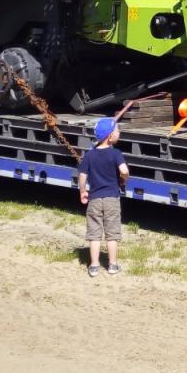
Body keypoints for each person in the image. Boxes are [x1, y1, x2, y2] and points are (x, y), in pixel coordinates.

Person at [78, 116, 129, 276]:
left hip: (94, 199)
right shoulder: (116, 154)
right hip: (112, 199)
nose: (119, 132)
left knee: (94, 234)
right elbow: (124, 170)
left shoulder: (89, 155)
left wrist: (82, 191)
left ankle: (94, 266)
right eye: (117, 130)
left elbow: (82, 176)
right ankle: (112, 265)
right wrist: (124, 179)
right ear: (110, 136)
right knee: (112, 233)